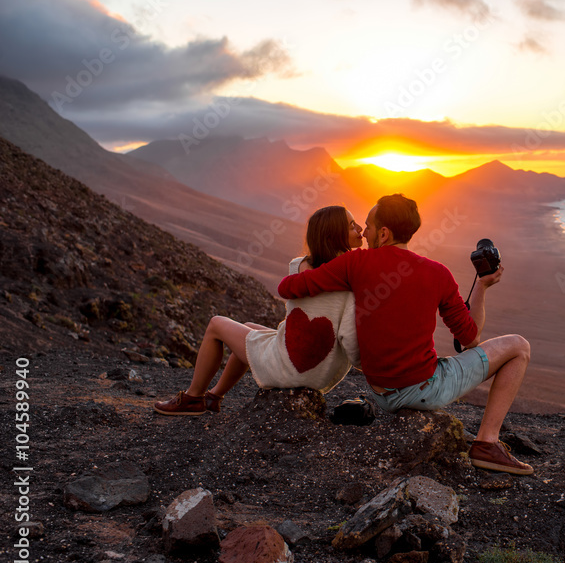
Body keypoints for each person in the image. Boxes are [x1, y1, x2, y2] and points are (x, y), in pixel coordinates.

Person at [277, 194, 533, 475]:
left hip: (381, 393)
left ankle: (486, 443)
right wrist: (482, 287)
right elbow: (471, 339)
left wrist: (305, 266)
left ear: (384, 233)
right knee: (519, 347)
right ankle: (487, 443)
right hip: (424, 391)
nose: (364, 233)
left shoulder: (355, 264)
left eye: (368, 227)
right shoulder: (439, 274)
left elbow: (288, 288)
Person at [154, 206, 364, 415]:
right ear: (334, 234)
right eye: (352, 226)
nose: (359, 229)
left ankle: (192, 398)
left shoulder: (299, 268)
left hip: (289, 368)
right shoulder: (351, 282)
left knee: (216, 324)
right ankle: (213, 397)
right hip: (319, 374)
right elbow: (350, 338)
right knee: (248, 329)